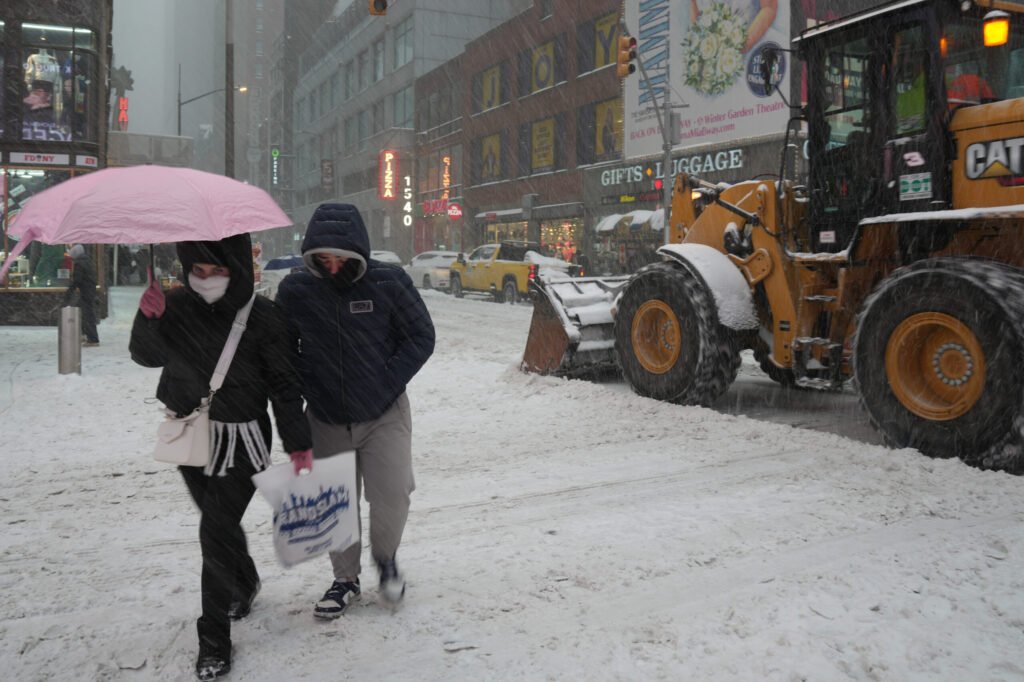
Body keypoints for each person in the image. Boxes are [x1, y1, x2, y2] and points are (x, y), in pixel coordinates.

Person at [129, 234, 313, 681]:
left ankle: (214, 640)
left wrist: (298, 443)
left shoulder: (263, 317)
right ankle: (244, 581)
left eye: (217, 271)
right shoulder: (175, 306)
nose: (206, 281)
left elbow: (285, 387)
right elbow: (146, 356)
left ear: (237, 269)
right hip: (191, 436)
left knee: (213, 532)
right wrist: (148, 319)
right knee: (219, 524)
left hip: (241, 440)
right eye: (198, 272)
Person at [276, 203, 435, 619]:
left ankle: (386, 562)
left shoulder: (388, 282)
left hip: (384, 412)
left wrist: (386, 380)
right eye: (322, 259)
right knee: (336, 501)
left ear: (359, 253)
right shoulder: (297, 290)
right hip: (326, 416)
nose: (331, 267)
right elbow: (282, 355)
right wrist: (304, 395)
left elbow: (421, 335)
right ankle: (344, 579)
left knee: (393, 494)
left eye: (340, 259)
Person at [64, 244, 99, 346]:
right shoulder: (86, 260)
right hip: (89, 291)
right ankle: (85, 334)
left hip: (86, 292)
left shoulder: (79, 263)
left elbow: (77, 280)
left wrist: (70, 290)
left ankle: (93, 339)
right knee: (83, 313)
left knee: (87, 315)